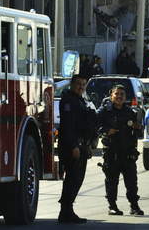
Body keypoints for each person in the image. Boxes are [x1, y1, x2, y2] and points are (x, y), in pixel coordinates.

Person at [97, 86, 144, 216]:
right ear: (111, 95)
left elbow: (138, 129)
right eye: (116, 94)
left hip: (128, 151)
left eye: (122, 94)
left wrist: (137, 127)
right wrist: (106, 130)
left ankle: (134, 206)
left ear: (125, 97)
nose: (119, 96)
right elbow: (95, 125)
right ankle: (112, 206)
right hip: (112, 152)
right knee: (112, 181)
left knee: (132, 181)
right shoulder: (105, 111)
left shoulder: (129, 111)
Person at [58, 75, 97, 224]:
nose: (81, 87)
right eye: (78, 84)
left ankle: (67, 211)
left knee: (77, 179)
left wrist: (88, 145)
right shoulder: (69, 101)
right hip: (72, 146)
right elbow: (68, 126)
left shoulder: (81, 100)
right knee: (72, 180)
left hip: (82, 145)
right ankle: (66, 211)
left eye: (83, 84)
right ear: (72, 85)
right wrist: (73, 146)